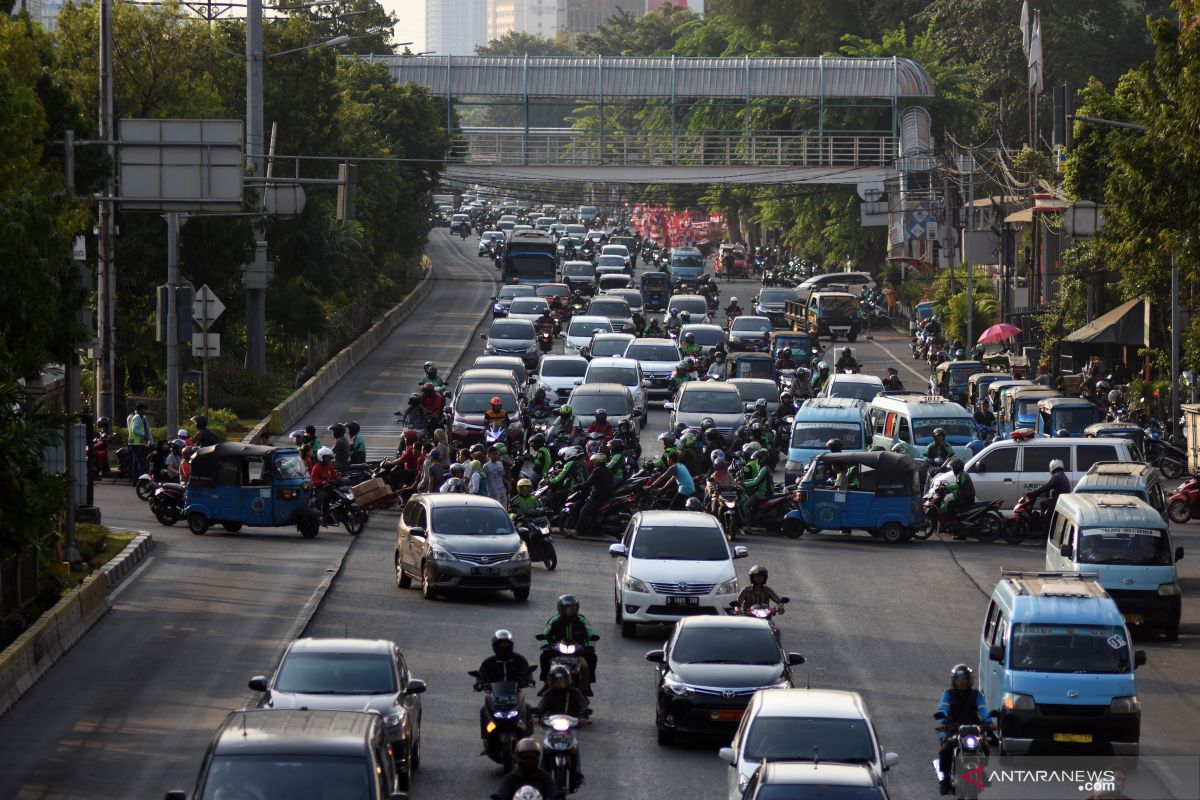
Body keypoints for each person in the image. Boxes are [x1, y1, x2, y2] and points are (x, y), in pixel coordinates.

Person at [935, 664, 991, 796]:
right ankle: (945, 779)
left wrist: (989, 722)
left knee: (985, 748)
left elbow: (983, 709)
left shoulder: (976, 695)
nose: (962, 683)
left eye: (965, 680)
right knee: (945, 750)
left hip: (973, 729)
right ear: (954, 680)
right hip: (953, 729)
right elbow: (943, 708)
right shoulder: (948, 694)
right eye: (959, 680)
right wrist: (943, 721)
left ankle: (981, 772)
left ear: (970, 680)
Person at [539, 594, 597, 689]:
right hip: (558, 650)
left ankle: (587, 686)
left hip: (578, 651)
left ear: (577, 608)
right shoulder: (554, 621)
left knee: (591, 659)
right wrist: (545, 645)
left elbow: (590, 634)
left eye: (571, 609)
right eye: (565, 609)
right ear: (559, 609)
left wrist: (590, 646)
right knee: (544, 657)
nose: (568, 612)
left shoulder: (583, 621)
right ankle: (546, 683)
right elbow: (545, 634)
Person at [490, 739, 563, 800]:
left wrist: (557, 796)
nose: (529, 761)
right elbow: (503, 793)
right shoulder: (510, 778)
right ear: (517, 759)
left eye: (532, 758)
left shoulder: (544, 777)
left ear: (537, 759)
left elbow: (553, 792)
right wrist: (498, 798)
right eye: (525, 758)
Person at [575, 453, 614, 537]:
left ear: (597, 461)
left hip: (598, 496)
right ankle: (594, 529)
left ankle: (578, 531)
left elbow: (589, 482)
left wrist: (578, 486)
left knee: (583, 511)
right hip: (608, 495)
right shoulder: (608, 470)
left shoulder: (597, 470)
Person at [941, 458, 976, 539]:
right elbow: (958, 487)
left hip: (966, 500)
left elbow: (957, 485)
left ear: (957, 468)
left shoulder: (961, 475)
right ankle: (961, 533)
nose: (952, 470)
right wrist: (948, 489)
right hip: (965, 498)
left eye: (953, 468)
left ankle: (954, 525)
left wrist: (946, 488)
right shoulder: (962, 474)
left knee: (950, 505)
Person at [740, 448, 773, 524]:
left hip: (763, 493)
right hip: (765, 492)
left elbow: (756, 481)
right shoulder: (765, 468)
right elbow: (756, 478)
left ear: (762, 459)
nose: (756, 461)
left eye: (758, 459)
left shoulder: (764, 469)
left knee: (745, 506)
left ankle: (749, 524)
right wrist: (745, 481)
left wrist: (744, 484)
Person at [310, 447, 339, 524]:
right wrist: (322, 482)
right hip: (318, 489)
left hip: (328, 487)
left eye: (329, 457)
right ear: (321, 457)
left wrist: (340, 478)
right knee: (325, 496)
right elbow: (314, 480)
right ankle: (324, 517)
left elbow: (334, 476)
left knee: (339, 495)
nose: (329, 458)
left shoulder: (329, 466)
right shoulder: (316, 467)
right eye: (327, 457)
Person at [125, 402, 151, 485]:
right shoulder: (137, 418)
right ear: (140, 409)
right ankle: (142, 481)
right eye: (144, 409)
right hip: (136, 444)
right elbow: (134, 429)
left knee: (136, 463)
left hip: (136, 443)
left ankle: (135, 481)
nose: (145, 411)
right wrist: (143, 435)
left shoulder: (140, 417)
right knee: (141, 462)